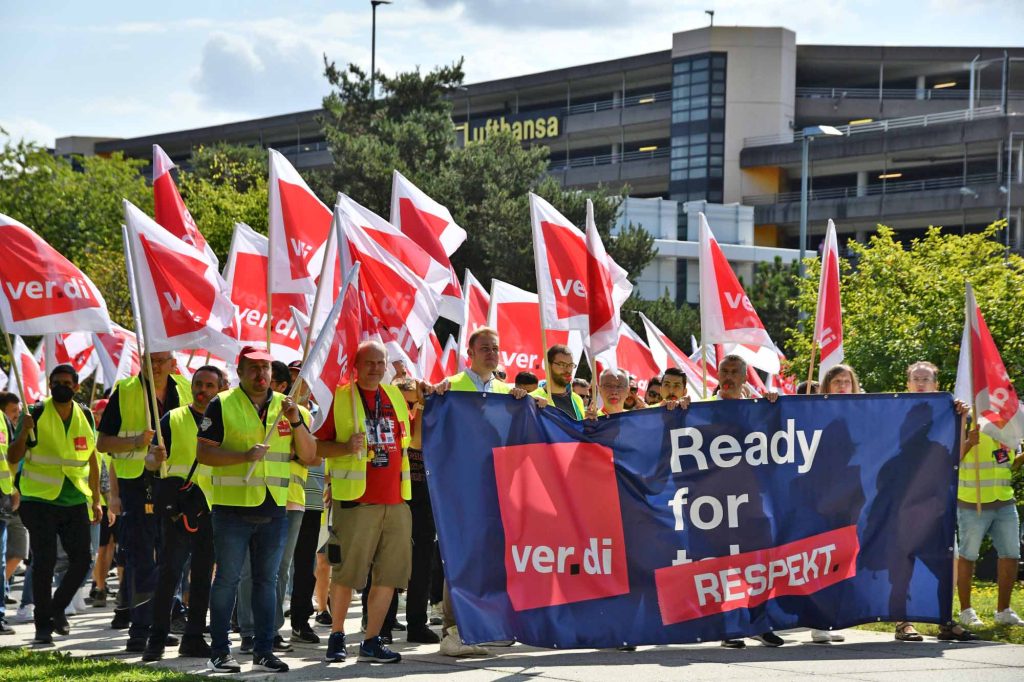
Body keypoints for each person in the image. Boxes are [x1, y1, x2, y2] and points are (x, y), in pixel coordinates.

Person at [197, 345, 316, 674]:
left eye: (264, 368)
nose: (259, 374)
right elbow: (204, 454)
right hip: (231, 509)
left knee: (267, 582)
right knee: (227, 581)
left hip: (275, 509)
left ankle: (264, 649)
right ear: (239, 371)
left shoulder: (287, 407)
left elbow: (309, 454)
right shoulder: (221, 404)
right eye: (252, 368)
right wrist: (243, 456)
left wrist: (295, 421)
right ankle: (220, 651)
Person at [431, 327, 532, 656]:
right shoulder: (452, 387)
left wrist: (528, 401)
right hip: (461, 489)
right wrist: (436, 396)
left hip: (498, 488)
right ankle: (453, 629)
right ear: (470, 354)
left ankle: (490, 624)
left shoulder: (508, 392)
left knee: (494, 558)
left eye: (496, 349)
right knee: (459, 556)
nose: (492, 353)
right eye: (485, 348)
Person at [315, 340, 412, 665]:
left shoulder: (396, 397)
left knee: (389, 576)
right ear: (356, 365)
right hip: (356, 502)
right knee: (347, 574)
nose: (375, 368)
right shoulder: (339, 398)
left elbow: (410, 438)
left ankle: (371, 640)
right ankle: (338, 635)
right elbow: (314, 449)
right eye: (368, 362)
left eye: (380, 362)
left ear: (387, 366)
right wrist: (343, 448)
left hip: (396, 502)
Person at [96, 351, 191, 648]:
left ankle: (161, 622)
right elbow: (103, 442)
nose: (156, 365)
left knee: (170, 556)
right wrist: (136, 442)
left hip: (175, 483)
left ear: (173, 362)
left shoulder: (186, 388)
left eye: (162, 359)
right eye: (151, 358)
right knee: (140, 558)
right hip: (138, 484)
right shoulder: (124, 391)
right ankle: (139, 630)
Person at [7, 364, 102, 644]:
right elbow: (13, 456)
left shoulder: (85, 415)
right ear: (49, 385)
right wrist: (23, 432)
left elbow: (93, 459)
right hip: (38, 500)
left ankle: (56, 608)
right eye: (56, 382)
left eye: (67, 382)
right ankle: (42, 628)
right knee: (44, 561)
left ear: (76, 386)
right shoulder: (34, 412)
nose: (62, 386)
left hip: (74, 498)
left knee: (83, 560)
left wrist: (96, 499)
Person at [887, 361, 979, 642]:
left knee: (944, 566)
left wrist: (962, 422)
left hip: (935, 506)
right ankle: (903, 622)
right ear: (907, 384)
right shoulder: (893, 408)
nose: (920, 383)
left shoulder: (947, 411)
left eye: (926, 378)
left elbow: (949, 461)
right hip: (902, 506)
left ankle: (945, 621)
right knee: (904, 566)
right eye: (915, 378)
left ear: (936, 385)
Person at [140, 365, 225, 661]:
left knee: (202, 577)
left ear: (220, 389)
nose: (203, 391)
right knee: (170, 574)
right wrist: (153, 458)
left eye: (210, 386)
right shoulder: (172, 419)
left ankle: (193, 638)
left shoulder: (226, 420)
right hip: (178, 510)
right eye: (198, 384)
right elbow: (151, 464)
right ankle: (157, 639)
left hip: (212, 510)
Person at [235, 360, 316, 655]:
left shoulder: (300, 412)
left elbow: (313, 455)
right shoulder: (249, 411)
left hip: (291, 500)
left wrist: (296, 439)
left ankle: (270, 630)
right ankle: (248, 631)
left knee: (280, 571)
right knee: (247, 570)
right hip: (249, 497)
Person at [712, 355, 786, 649]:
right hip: (716, 503)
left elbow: (780, 440)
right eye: (724, 371)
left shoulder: (759, 409)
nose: (728, 376)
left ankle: (759, 622)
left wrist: (774, 409)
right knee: (722, 566)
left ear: (745, 377)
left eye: (735, 372)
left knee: (760, 562)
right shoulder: (703, 407)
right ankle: (727, 627)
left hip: (754, 500)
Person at [954, 369, 1024, 629]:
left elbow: (1008, 465)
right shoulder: (968, 419)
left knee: (1011, 554)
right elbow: (950, 461)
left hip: (1004, 501)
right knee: (968, 556)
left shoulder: (1009, 427)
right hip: (972, 502)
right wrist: (969, 443)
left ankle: (1003, 611)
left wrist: (1022, 458)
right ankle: (966, 610)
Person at [395, 378, 441, 645]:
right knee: (388, 560)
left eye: (412, 401)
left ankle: (416, 623)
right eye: (405, 401)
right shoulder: (389, 414)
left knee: (423, 559)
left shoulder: (429, 411)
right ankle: (382, 621)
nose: (410, 405)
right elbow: (416, 441)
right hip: (395, 493)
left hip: (423, 494)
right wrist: (421, 408)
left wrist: (424, 406)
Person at [531, 345, 585, 420]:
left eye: (570, 365)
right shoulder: (532, 399)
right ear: (548, 366)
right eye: (562, 365)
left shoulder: (577, 400)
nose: (568, 370)